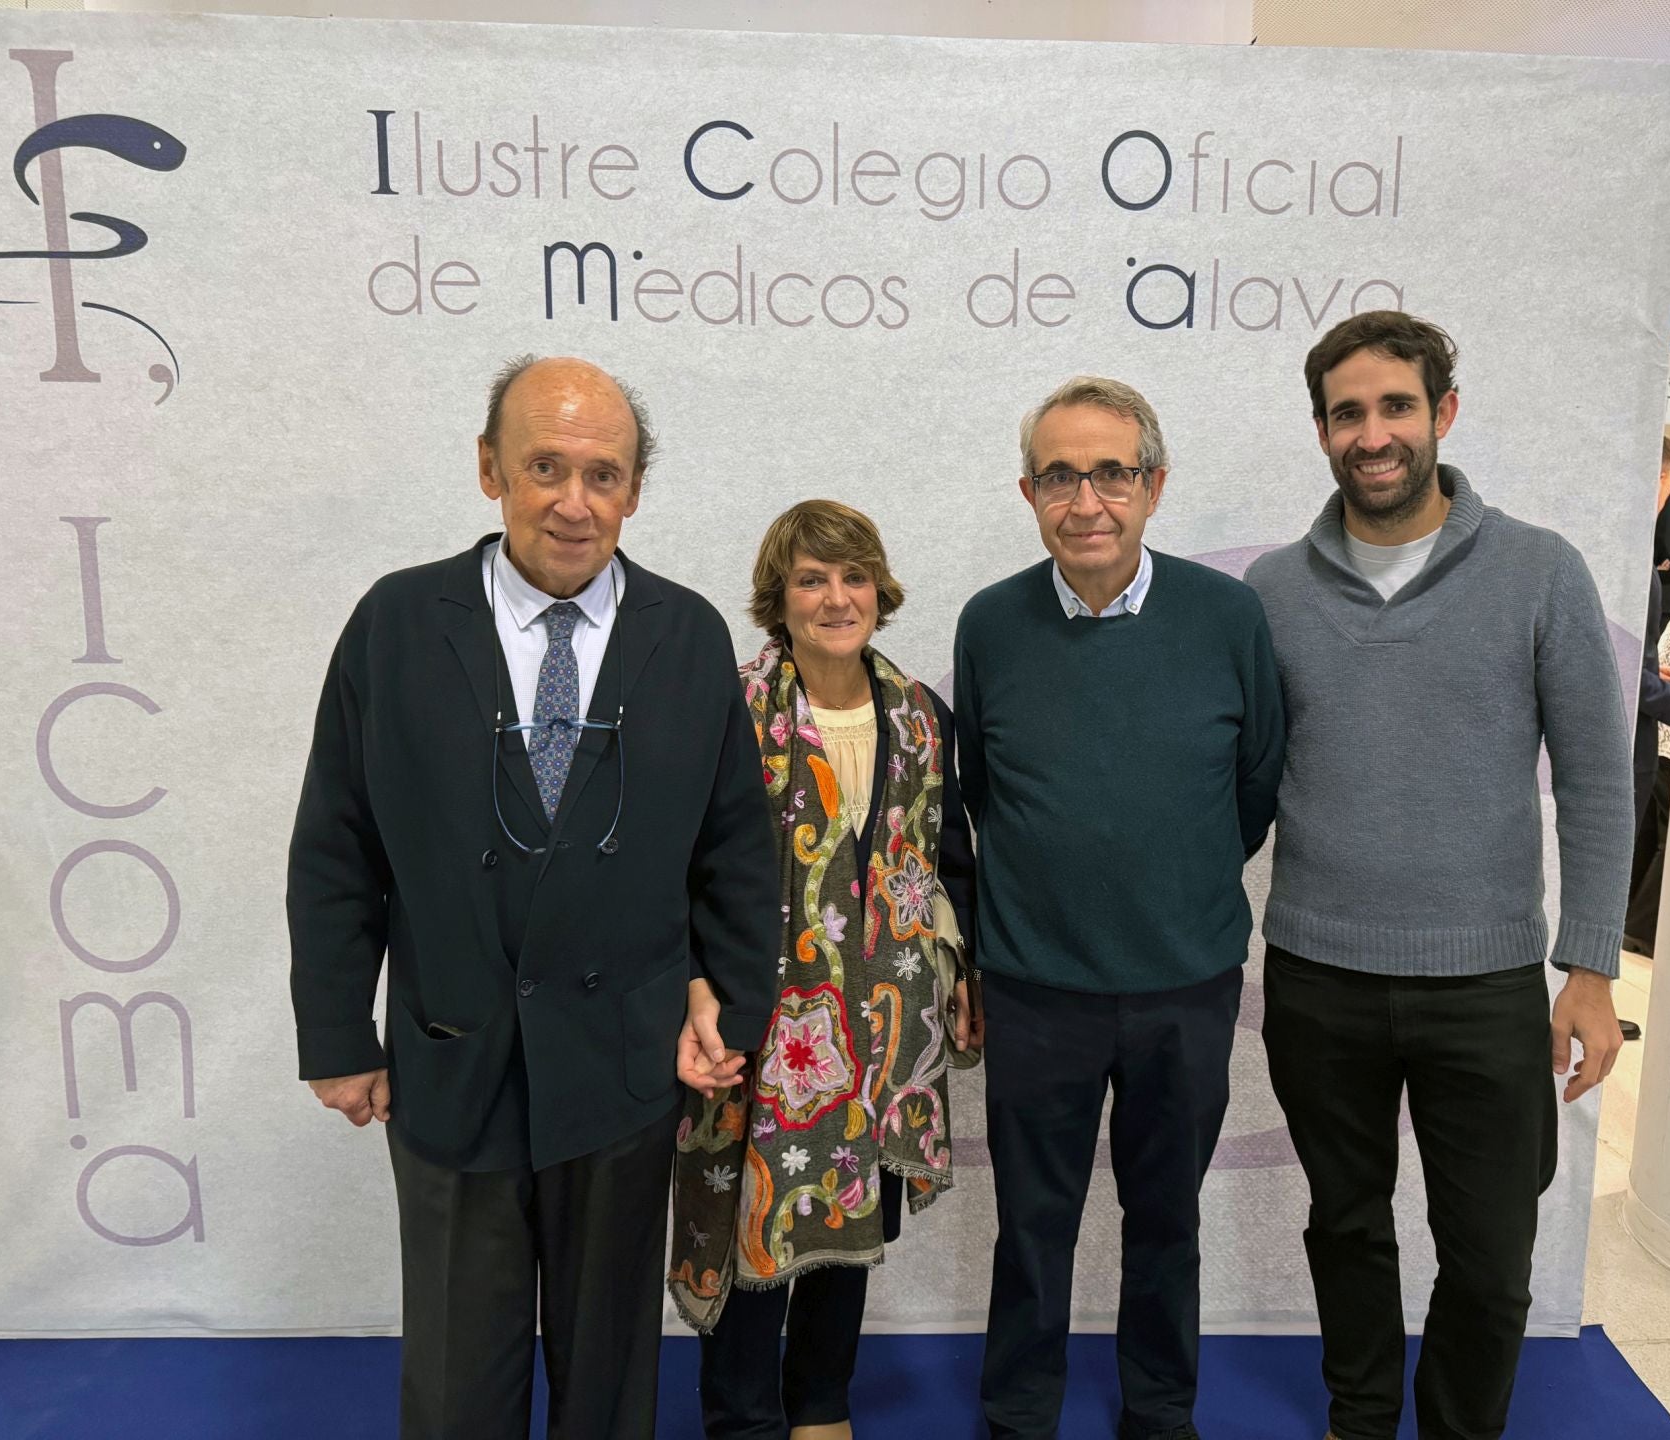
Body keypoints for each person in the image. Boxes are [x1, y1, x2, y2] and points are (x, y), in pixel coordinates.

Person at [286, 355, 780, 1440]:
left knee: (609, 1378)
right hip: (450, 1047)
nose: (573, 501)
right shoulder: (399, 623)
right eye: (544, 467)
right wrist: (335, 1031)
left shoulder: (688, 636)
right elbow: (336, 841)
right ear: (488, 470)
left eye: (603, 475)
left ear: (635, 492)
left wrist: (729, 1006)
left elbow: (739, 850)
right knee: (461, 1377)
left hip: (622, 1059)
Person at [1244, 312, 1634, 1440]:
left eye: (1396, 406)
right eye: (1349, 412)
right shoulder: (1271, 591)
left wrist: (1592, 968)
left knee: (1493, 1256)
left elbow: (1601, 786)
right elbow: (1239, 778)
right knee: (1346, 1224)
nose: (1374, 434)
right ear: (1322, 431)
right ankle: (1360, 1420)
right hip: (1318, 973)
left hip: (1488, 983)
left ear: (1442, 414)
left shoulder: (1538, 570)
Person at [955, 377, 1286, 1440]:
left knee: (1167, 1223)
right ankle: (1018, 1413)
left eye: (1112, 472)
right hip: (1035, 987)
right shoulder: (990, 624)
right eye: (1060, 475)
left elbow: (1254, 788)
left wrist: (1165, 879)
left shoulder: (1228, 617)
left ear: (1153, 484)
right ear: (1028, 491)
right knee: (1032, 1225)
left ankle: (1159, 1411)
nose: (1086, 498)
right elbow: (979, 796)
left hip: (1183, 987)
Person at [668, 499, 978, 1440]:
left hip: (887, 1023)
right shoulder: (725, 707)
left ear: (879, 592)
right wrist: (694, 991)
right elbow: (677, 863)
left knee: (852, 1217)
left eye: (852, 578)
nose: (836, 597)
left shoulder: (922, 714)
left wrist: (964, 975)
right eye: (812, 578)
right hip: (763, 1019)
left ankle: (820, 1405)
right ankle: (743, 1414)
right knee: (758, 1215)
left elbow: (946, 856)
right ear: (780, 597)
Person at [1624, 437, 1670, 959]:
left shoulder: (1620, 556)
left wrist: (1652, 673)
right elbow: (1629, 680)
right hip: (1629, 749)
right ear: (1663, 479)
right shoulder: (1635, 568)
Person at [1624, 570, 1670, 950]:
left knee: (1649, 841)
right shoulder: (1635, 570)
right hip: (1662, 742)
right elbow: (1626, 669)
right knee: (1666, 842)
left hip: (1654, 741)